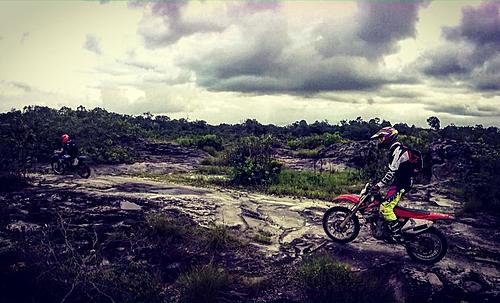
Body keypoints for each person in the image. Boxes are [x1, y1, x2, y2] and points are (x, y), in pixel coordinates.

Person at [370, 127, 414, 242]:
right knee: (383, 202)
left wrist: (379, 185)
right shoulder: (394, 150)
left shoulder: (398, 150)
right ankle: (389, 227)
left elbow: (391, 172)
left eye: (380, 138)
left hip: (402, 184)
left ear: (387, 137)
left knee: (385, 208)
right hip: (399, 182)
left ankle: (397, 235)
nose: (379, 141)